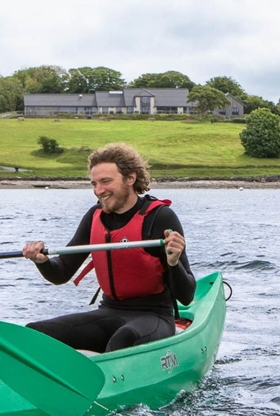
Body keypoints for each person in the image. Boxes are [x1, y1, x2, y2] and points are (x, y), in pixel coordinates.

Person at [21, 142, 196, 354]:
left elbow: (186, 296)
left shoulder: (160, 218)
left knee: (123, 339)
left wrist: (173, 262)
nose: (98, 191)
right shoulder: (94, 217)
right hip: (109, 312)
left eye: (105, 182)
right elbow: (61, 273)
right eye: (94, 184)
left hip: (154, 316)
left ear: (130, 178)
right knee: (34, 332)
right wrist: (42, 261)